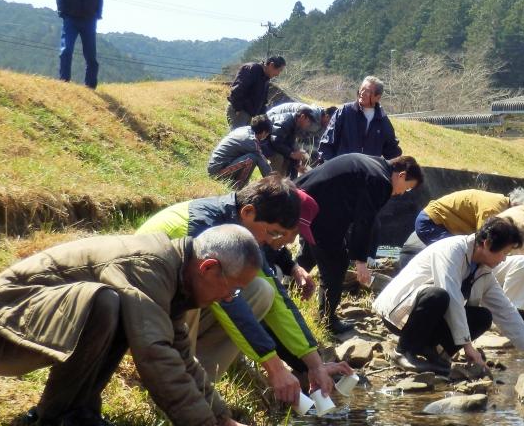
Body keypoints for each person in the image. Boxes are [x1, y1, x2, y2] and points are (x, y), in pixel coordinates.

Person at [0, 225, 267, 426]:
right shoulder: (149, 266)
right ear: (209, 267)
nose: (230, 298)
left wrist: (223, 419)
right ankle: (56, 415)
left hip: (25, 323)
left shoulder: (173, 274)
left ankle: (79, 413)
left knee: (119, 309)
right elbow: (155, 353)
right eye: (233, 288)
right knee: (105, 303)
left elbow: (180, 355)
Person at [136, 175, 351, 402]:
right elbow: (230, 304)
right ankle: (169, 386)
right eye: (274, 232)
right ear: (248, 212)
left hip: (169, 313)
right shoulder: (206, 229)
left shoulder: (244, 235)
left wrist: (314, 364)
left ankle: (198, 383)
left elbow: (278, 300)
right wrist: (275, 368)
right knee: (198, 292)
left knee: (262, 292)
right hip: (142, 318)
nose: (275, 242)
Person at [373, 217, 524, 376]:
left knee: (483, 316)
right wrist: (468, 346)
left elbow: (505, 310)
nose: (504, 259)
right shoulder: (452, 250)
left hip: (425, 318)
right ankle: (403, 351)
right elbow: (451, 296)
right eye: (504, 253)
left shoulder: (483, 269)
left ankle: (432, 351)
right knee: (438, 296)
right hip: (399, 313)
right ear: (486, 244)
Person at [295, 153, 423, 333]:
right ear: (401, 175)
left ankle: (287, 290)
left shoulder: (373, 163)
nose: (402, 193)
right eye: (407, 188)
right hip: (319, 212)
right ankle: (327, 320)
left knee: (309, 254)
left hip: (302, 198)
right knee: (337, 264)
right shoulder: (382, 181)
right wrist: (361, 261)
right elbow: (365, 221)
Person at [316, 76, 401, 163]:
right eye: (362, 89)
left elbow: (392, 153)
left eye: (368, 91)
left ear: (377, 97)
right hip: (341, 170)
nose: (362, 93)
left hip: (366, 173)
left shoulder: (383, 121)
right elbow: (327, 142)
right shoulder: (345, 111)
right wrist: (327, 165)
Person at [56, 0, 103, 89]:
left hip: (89, 21)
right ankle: (64, 81)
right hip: (70, 19)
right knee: (66, 50)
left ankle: (90, 86)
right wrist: (62, 12)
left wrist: (97, 14)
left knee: (91, 56)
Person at [208, 115, 272, 189]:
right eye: (267, 134)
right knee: (252, 158)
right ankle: (238, 188)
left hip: (214, 166)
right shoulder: (251, 142)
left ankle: (236, 184)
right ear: (264, 132)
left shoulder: (245, 129)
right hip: (217, 173)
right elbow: (263, 164)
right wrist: (273, 183)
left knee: (252, 156)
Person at [265, 102, 325, 177]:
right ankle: (272, 183)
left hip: (273, 145)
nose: (308, 125)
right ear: (303, 116)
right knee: (279, 159)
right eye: (308, 121)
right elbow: (275, 140)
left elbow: (290, 146)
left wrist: (297, 166)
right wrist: (291, 154)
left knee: (288, 161)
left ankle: (283, 184)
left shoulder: (295, 126)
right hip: (264, 142)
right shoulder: (286, 121)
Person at [227, 56, 286, 128]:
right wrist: (238, 109)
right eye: (279, 70)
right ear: (271, 65)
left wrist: (263, 118)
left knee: (243, 137)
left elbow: (263, 101)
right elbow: (238, 89)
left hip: (249, 115)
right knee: (236, 137)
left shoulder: (266, 78)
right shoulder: (252, 69)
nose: (278, 74)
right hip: (240, 111)